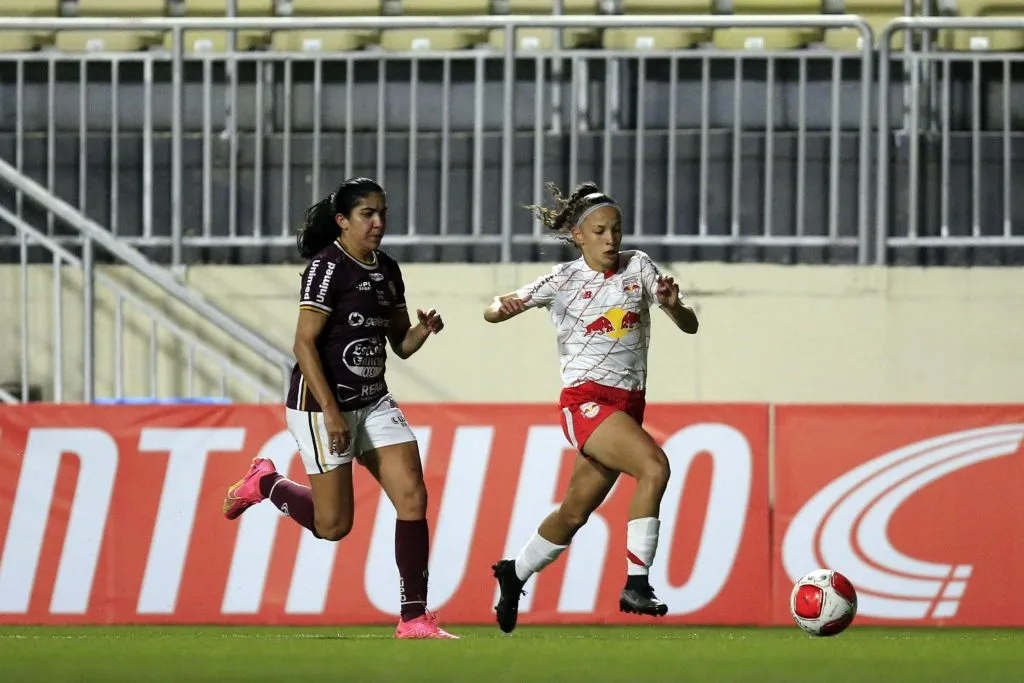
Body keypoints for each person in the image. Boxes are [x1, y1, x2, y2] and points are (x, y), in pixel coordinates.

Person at [222, 177, 457, 639]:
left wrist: (422, 331)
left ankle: (414, 617)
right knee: (333, 526)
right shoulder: (328, 267)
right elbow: (303, 343)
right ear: (342, 221)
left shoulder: (387, 269)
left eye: (382, 213)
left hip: (373, 400)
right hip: (320, 404)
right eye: (367, 214)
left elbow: (400, 345)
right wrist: (331, 413)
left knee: (413, 495)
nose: (378, 222)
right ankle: (266, 482)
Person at [484, 181, 699, 633]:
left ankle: (514, 572)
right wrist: (500, 308)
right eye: (600, 231)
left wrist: (674, 307)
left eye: (616, 230)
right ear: (579, 236)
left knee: (574, 512)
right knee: (655, 467)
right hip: (586, 401)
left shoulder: (638, 266)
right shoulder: (563, 279)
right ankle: (636, 583)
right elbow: (496, 307)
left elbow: (690, 324)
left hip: (627, 406)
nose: (611, 239)